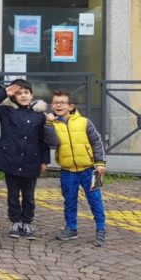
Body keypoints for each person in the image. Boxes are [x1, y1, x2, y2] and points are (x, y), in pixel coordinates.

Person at [0, 79, 49, 240]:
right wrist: (5, 92)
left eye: (26, 92)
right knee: (13, 194)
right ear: (14, 96)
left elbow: (44, 140)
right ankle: (15, 221)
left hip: (31, 160)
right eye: (19, 93)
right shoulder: (7, 111)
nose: (23, 96)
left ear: (32, 94)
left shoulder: (40, 115)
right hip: (11, 159)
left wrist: (44, 161)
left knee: (29, 195)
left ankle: (27, 222)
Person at [43, 90, 107, 247]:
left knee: (95, 200)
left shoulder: (84, 122)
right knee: (69, 201)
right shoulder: (53, 124)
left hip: (90, 169)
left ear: (70, 106)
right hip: (67, 171)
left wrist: (100, 163)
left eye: (62, 102)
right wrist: (49, 124)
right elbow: (51, 143)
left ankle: (100, 229)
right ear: (52, 105)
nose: (59, 105)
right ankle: (71, 228)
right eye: (56, 102)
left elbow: (96, 142)